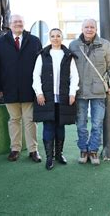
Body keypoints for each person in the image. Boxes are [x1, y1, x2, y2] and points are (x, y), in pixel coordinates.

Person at [0, 14, 43, 163]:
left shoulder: (34, 41)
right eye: (15, 22)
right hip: (9, 88)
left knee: (30, 120)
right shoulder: (1, 42)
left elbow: (41, 66)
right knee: (14, 120)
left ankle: (33, 150)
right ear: (10, 24)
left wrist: (39, 89)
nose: (18, 24)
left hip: (29, 88)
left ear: (24, 24)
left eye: (20, 21)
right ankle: (15, 149)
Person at [69, 18, 110, 165]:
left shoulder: (105, 44)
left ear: (96, 29)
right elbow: (68, 70)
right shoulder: (73, 45)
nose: (89, 29)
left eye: (92, 27)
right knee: (81, 124)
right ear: (82, 28)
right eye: (86, 27)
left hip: (99, 91)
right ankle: (83, 150)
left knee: (97, 124)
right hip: (80, 91)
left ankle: (93, 150)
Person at [32, 28, 79, 170]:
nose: (55, 38)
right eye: (53, 36)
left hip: (64, 97)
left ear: (62, 38)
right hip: (47, 97)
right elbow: (36, 75)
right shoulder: (43, 55)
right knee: (48, 127)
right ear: (49, 38)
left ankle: (59, 154)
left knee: (60, 126)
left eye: (58, 36)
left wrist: (72, 93)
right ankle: (49, 158)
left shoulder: (68, 55)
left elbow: (74, 76)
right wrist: (39, 93)